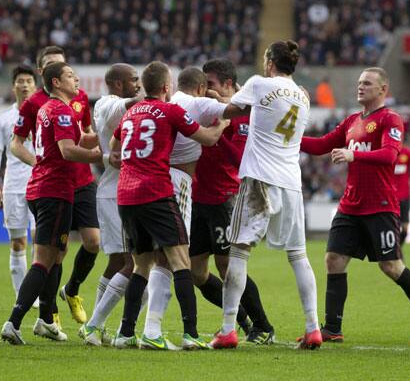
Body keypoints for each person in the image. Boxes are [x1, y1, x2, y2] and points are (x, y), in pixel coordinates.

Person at [301, 67, 410, 343]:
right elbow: (321, 145)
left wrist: (353, 155)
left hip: (380, 205)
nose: (360, 86)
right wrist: (288, 140)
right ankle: (332, 328)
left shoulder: (391, 119)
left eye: (367, 83)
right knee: (333, 260)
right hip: (350, 205)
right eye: (359, 82)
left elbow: (389, 155)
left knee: (391, 266)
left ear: (382, 90)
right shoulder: (352, 120)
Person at [109, 61, 229, 350]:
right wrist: (223, 122)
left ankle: (126, 333)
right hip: (155, 191)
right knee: (180, 260)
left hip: (125, 194)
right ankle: (190, 334)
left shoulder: (130, 113)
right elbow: (209, 139)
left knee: (141, 264)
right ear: (166, 87)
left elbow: (114, 152)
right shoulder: (170, 110)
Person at [211, 41, 321, 350]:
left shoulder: (259, 83)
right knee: (298, 255)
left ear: (270, 61)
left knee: (239, 251)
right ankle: (313, 327)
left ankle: (228, 328)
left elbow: (230, 110)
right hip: (291, 182)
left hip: (260, 178)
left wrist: (209, 100)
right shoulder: (303, 94)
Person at [1, 62, 102, 345]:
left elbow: (81, 138)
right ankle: (14, 321)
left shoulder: (51, 109)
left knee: (57, 255)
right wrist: (101, 158)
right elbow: (69, 150)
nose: (77, 79)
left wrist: (110, 137)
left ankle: (46, 320)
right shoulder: (60, 110)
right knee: (43, 261)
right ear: (56, 82)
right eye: (70, 75)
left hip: (43, 189)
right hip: (54, 191)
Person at [192, 58, 275, 345]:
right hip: (197, 197)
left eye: (211, 84)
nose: (205, 89)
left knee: (228, 266)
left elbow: (240, 160)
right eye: (203, 84)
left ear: (228, 85)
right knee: (196, 272)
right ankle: (240, 319)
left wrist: (218, 133)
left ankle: (262, 325)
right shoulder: (203, 109)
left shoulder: (241, 116)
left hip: (224, 199)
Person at [79, 63, 142, 345]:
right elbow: (133, 103)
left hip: (127, 191)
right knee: (133, 262)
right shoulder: (107, 103)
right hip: (114, 192)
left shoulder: (123, 105)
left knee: (119, 261)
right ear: (118, 84)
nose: (138, 85)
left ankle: (95, 325)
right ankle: (96, 325)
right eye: (134, 80)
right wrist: (157, 93)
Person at [0, 65, 37, 301]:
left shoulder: (44, 113)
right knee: (18, 242)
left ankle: (38, 292)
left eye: (29, 80)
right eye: (21, 80)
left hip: (41, 183)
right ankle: (23, 296)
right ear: (13, 85)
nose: (25, 84)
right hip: (14, 186)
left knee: (41, 240)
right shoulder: (4, 117)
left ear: (35, 85)